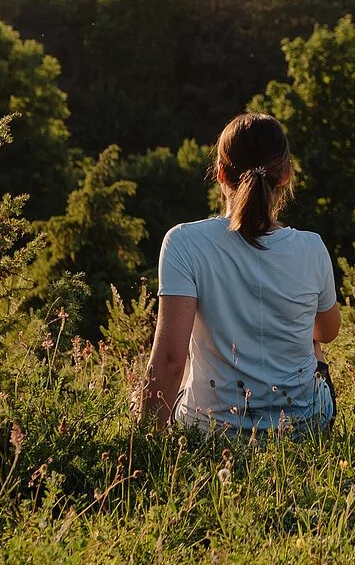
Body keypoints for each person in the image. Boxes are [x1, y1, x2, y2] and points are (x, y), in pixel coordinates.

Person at [137, 112, 341, 434]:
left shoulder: (184, 242)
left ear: (220, 174)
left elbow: (170, 360)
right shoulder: (312, 248)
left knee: (193, 344)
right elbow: (327, 332)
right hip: (303, 428)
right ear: (286, 175)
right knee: (312, 344)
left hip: (209, 429)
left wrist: (141, 448)